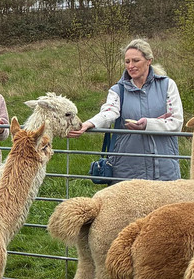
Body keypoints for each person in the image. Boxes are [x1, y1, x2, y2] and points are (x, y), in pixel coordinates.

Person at [67, 38, 184, 181]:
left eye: (136, 60)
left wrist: (147, 125)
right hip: (128, 167)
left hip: (163, 166)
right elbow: (108, 112)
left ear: (149, 61)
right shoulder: (118, 90)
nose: (131, 66)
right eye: (127, 61)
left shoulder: (167, 85)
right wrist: (88, 124)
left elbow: (176, 122)